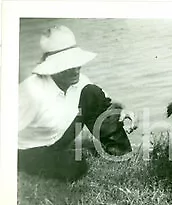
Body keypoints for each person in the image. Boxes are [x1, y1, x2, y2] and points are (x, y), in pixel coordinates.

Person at [18, 25, 137, 182]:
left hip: (60, 139)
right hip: (31, 150)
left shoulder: (80, 81)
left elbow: (103, 101)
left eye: (77, 63)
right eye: (68, 66)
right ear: (52, 68)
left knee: (92, 92)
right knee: (75, 167)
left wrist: (123, 110)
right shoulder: (30, 92)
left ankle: (120, 153)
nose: (76, 70)